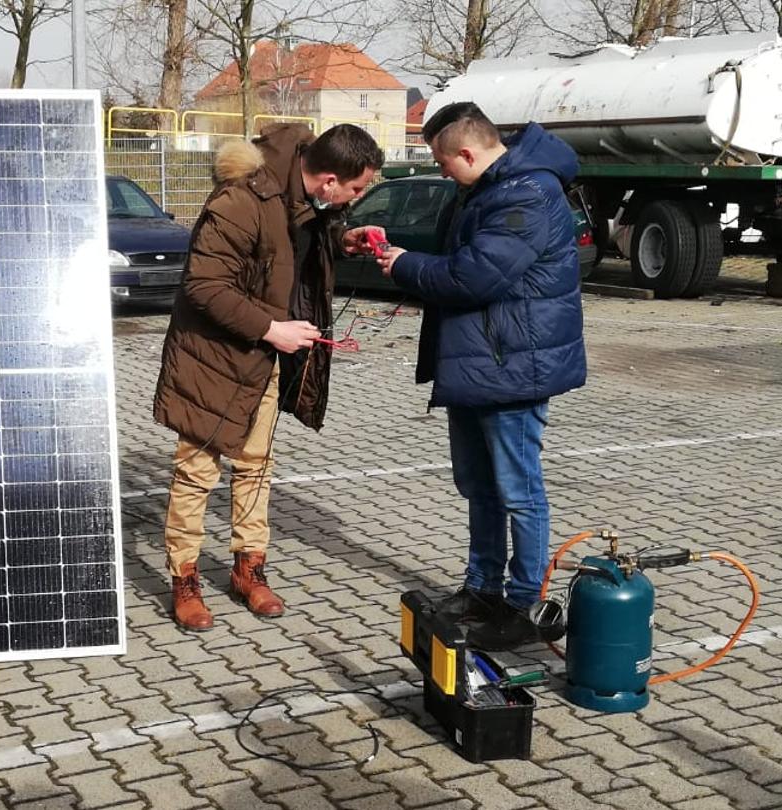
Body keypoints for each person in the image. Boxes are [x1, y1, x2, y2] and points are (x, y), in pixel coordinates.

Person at [368, 101, 587, 650]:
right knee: (478, 485)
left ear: (468, 151)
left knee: (517, 490)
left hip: (512, 365)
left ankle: (522, 604)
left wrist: (403, 265)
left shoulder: (528, 192)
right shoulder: (486, 187)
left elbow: (474, 277)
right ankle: (483, 586)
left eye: (444, 164)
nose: (442, 174)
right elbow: (461, 260)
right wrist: (397, 251)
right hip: (477, 362)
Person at [152, 123, 384, 632]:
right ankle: (184, 579)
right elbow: (204, 286)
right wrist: (271, 328)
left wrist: (345, 239)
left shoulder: (306, 200)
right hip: (212, 359)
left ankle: (248, 568)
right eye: (356, 188)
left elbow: (293, 254)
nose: (357, 196)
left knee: (256, 466)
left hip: (263, 359)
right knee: (196, 474)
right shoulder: (241, 200)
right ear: (327, 180)